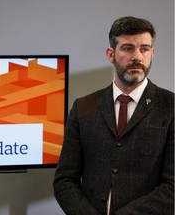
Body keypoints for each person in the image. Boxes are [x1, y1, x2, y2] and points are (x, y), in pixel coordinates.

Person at [53, 16, 174, 215]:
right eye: (127, 48)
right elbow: (64, 180)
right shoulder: (83, 107)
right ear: (111, 54)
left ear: (152, 54)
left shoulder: (170, 107)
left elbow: (172, 187)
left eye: (144, 49)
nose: (137, 56)